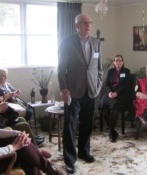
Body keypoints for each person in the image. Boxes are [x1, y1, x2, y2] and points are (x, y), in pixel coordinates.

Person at [0, 84, 62, 175]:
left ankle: (50, 168)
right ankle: (50, 169)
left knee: (22, 144)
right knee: (24, 152)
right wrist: (13, 147)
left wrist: (17, 133)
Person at [57, 13, 103, 174]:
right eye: (84, 22)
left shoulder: (96, 43)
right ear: (77, 25)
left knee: (87, 124)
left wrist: (98, 85)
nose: (88, 25)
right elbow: (61, 68)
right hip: (73, 91)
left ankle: (84, 151)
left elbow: (99, 68)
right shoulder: (67, 42)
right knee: (70, 126)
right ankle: (69, 160)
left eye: (89, 22)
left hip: (91, 90)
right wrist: (64, 89)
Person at [100, 54, 131, 142]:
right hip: (110, 93)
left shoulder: (126, 71)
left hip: (121, 94)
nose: (118, 62)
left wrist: (117, 93)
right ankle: (112, 130)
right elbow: (106, 84)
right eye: (116, 60)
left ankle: (110, 132)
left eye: (120, 60)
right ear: (114, 62)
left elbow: (126, 86)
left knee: (114, 106)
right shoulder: (110, 71)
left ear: (123, 62)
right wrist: (109, 92)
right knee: (103, 105)